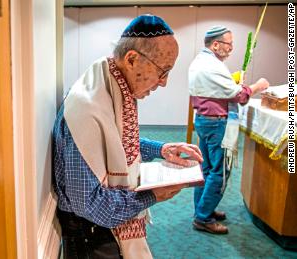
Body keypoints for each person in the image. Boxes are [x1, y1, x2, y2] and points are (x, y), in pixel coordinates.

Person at [53, 15, 203, 259]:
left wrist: (161, 149)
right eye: (163, 71)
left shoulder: (111, 80)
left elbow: (115, 143)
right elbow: (91, 206)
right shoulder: (87, 109)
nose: (164, 83)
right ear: (132, 59)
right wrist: (153, 195)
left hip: (101, 231)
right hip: (92, 237)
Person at [188, 26, 269, 234]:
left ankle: (203, 209)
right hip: (216, 124)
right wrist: (258, 86)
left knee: (206, 170)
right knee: (220, 171)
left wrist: (234, 83)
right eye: (229, 44)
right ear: (215, 45)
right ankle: (203, 218)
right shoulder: (212, 65)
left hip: (204, 120)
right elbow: (240, 96)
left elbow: (219, 89)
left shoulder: (200, 61)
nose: (231, 49)